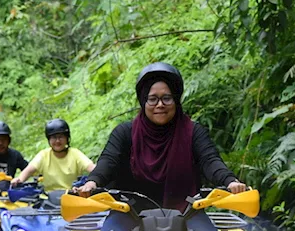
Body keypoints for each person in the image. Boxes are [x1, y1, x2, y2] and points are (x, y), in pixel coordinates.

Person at [71, 63, 247, 209]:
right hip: (128, 213)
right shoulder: (125, 133)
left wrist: (230, 181)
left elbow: (210, 160)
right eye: (153, 98)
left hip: (187, 213)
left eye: (167, 98)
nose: (160, 105)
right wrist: (92, 182)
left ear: (176, 100)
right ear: (143, 101)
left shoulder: (194, 132)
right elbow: (108, 161)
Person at [14, 119, 96, 191]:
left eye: (61, 137)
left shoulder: (75, 154)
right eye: (54, 137)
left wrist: (101, 177)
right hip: (48, 199)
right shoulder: (44, 155)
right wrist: (19, 179)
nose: (57, 141)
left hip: (71, 196)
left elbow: (92, 168)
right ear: (49, 140)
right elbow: (29, 170)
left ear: (67, 138)